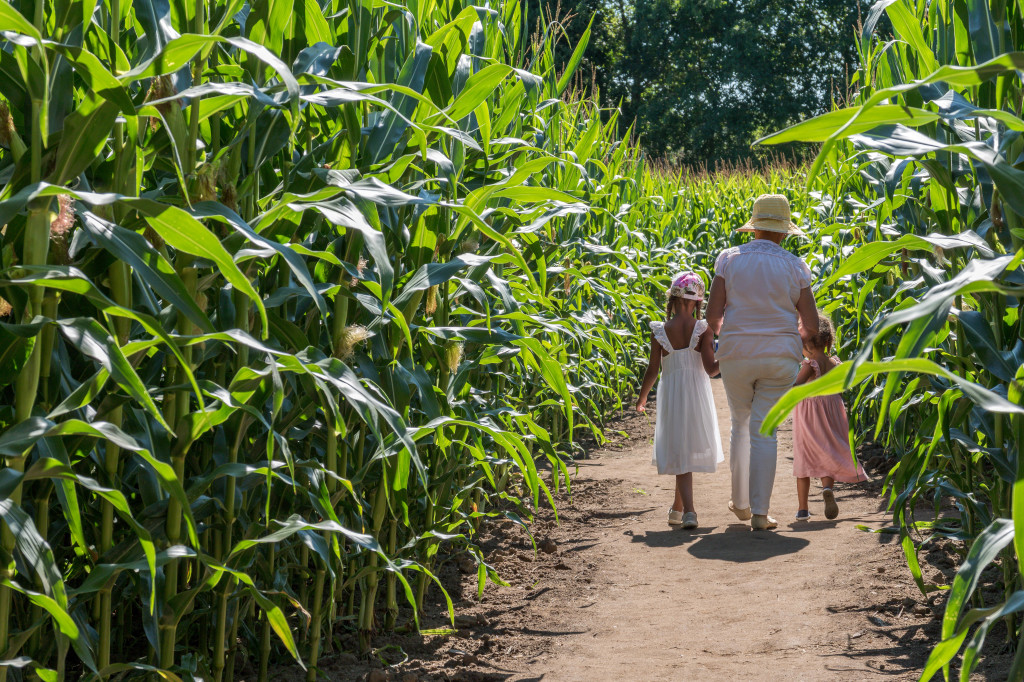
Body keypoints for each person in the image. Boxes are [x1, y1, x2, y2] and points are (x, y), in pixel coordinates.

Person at [705, 194, 819, 531]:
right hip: (780, 355)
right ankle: (760, 512)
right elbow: (811, 324)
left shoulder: (729, 259)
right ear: (784, 232)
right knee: (764, 431)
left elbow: (713, 316)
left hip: (736, 353)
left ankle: (739, 503)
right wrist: (788, 338)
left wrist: (734, 334)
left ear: (754, 227)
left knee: (740, 423)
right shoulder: (795, 266)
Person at [636, 272, 724, 530]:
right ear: (698, 302)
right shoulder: (703, 329)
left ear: (672, 300)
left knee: (680, 450)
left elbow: (652, 371)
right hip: (697, 395)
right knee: (684, 451)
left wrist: (642, 399)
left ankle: (689, 512)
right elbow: (711, 370)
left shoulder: (660, 331)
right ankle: (678, 509)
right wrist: (729, 354)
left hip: (672, 395)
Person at [792, 311, 868, 521]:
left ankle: (802, 509)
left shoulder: (809, 365)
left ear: (806, 344)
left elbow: (797, 386)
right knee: (827, 451)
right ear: (828, 342)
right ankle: (828, 489)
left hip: (809, 413)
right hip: (833, 407)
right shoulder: (835, 363)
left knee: (804, 457)